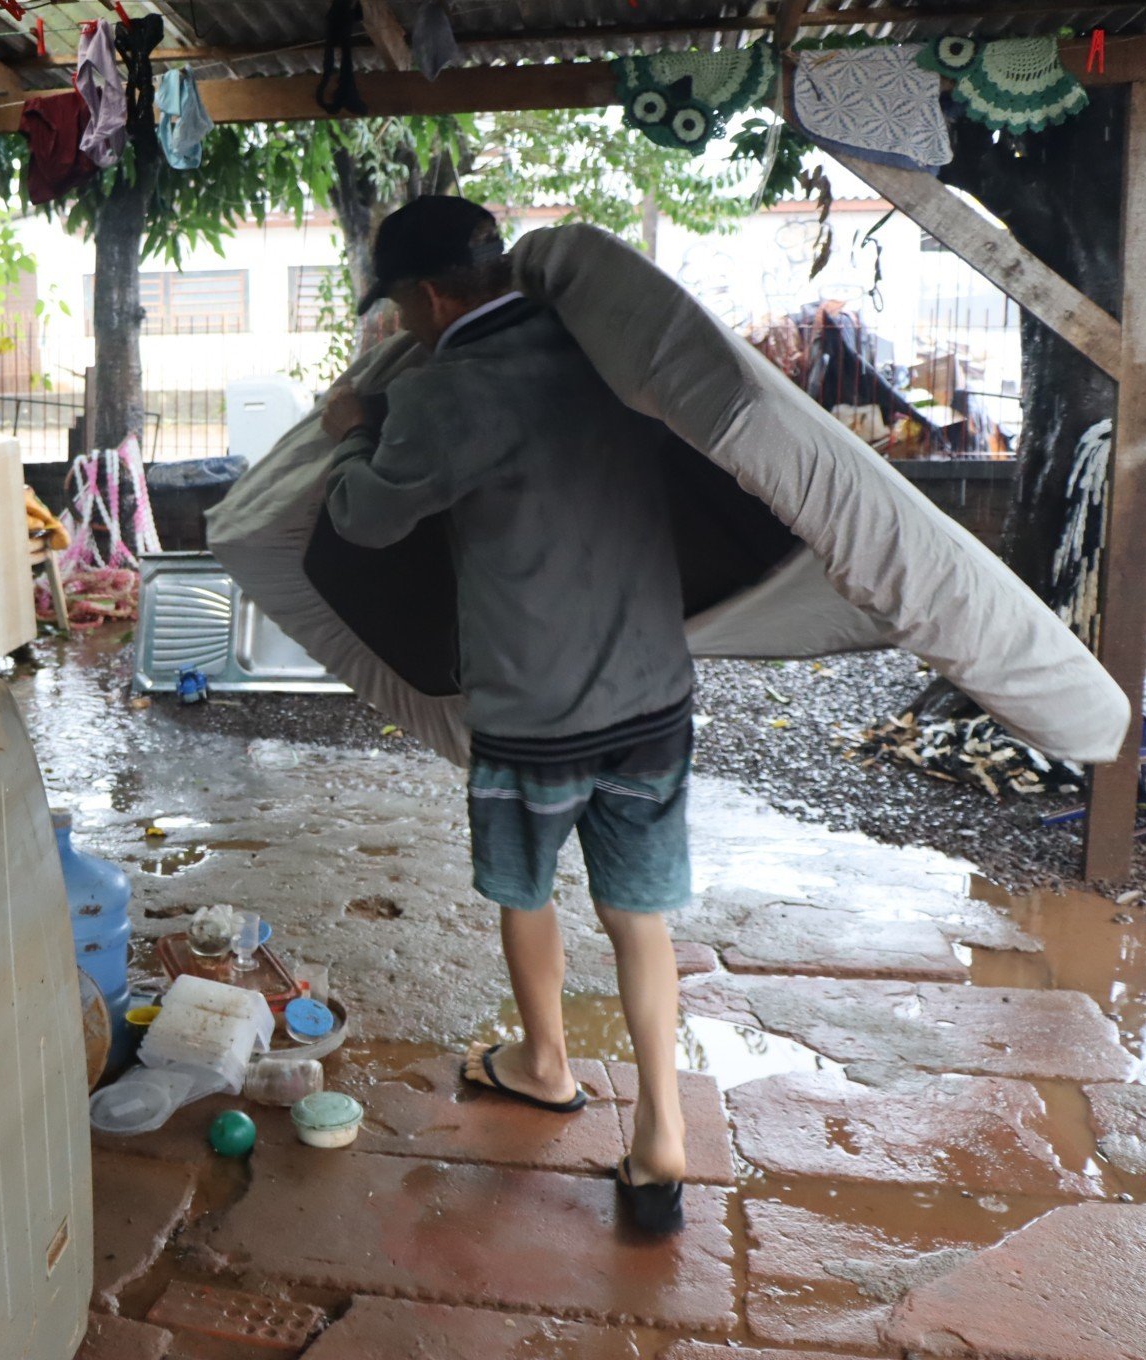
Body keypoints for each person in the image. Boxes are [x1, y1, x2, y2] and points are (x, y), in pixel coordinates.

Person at [320, 195, 695, 1233]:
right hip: (654, 694)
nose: (399, 323)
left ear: (435, 296)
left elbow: (366, 517)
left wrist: (353, 435)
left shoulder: (448, 395)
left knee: (526, 887)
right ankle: (661, 1133)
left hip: (536, 712)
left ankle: (542, 1063)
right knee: (637, 912)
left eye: (398, 304)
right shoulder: (598, 354)